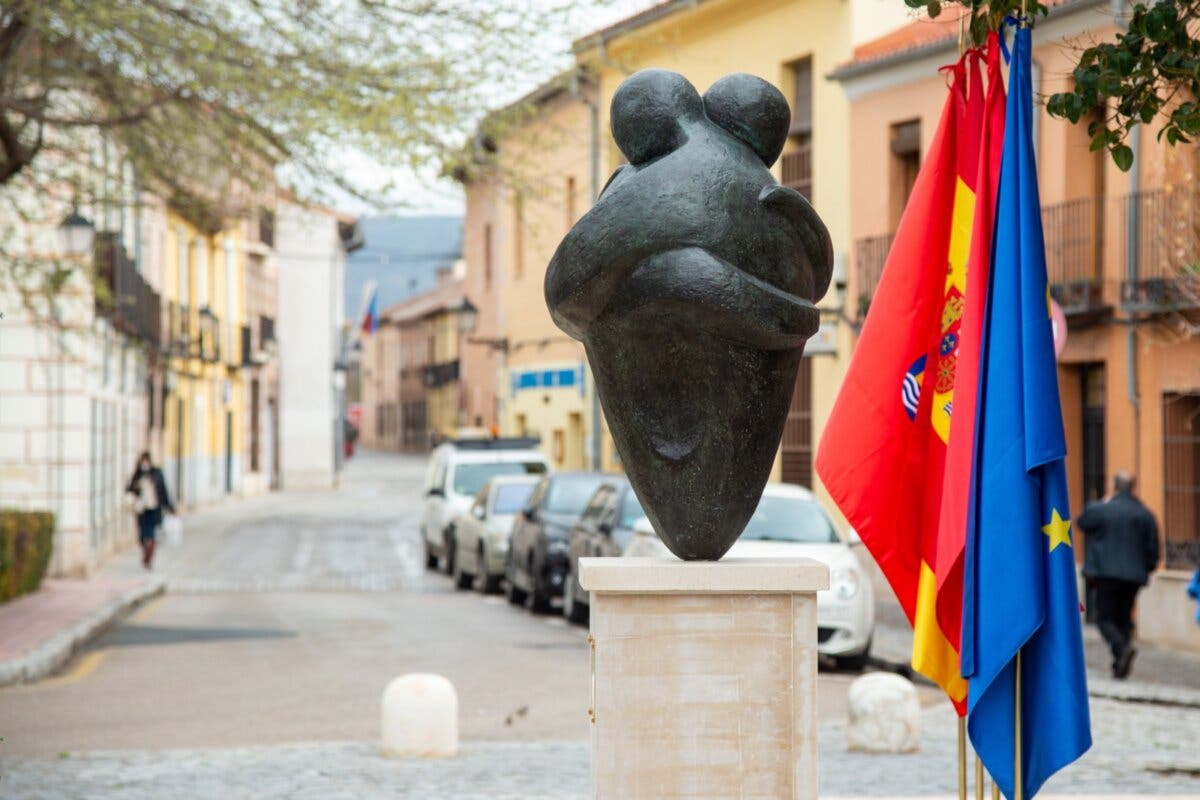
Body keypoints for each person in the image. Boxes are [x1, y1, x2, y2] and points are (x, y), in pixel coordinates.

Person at [1076, 471, 1160, 679]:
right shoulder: (1144, 514)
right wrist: (1146, 569)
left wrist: (1101, 503)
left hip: (1105, 574)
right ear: (1132, 488)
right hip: (1133, 577)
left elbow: (1082, 522)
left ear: (1114, 487)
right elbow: (1153, 548)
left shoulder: (1103, 509)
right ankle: (1119, 663)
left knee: (1104, 618)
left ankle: (1122, 649)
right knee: (1122, 618)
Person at [126, 451, 175, 570]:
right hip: (141, 509)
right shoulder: (137, 475)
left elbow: (163, 490)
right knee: (142, 535)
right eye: (143, 461)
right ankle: (145, 552)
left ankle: (149, 557)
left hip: (154, 508)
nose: (145, 464)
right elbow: (129, 489)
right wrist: (137, 487)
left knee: (152, 533)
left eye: (146, 461)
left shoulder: (157, 473)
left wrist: (169, 506)